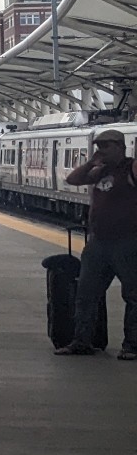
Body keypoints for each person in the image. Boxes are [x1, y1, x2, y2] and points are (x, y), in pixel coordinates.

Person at [60, 128, 137, 357]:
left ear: (121, 147)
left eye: (106, 146)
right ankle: (81, 341)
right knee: (86, 294)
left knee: (133, 296)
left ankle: (131, 345)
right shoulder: (99, 171)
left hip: (128, 242)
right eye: (98, 146)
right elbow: (72, 179)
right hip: (98, 243)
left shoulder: (131, 167)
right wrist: (91, 163)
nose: (100, 150)